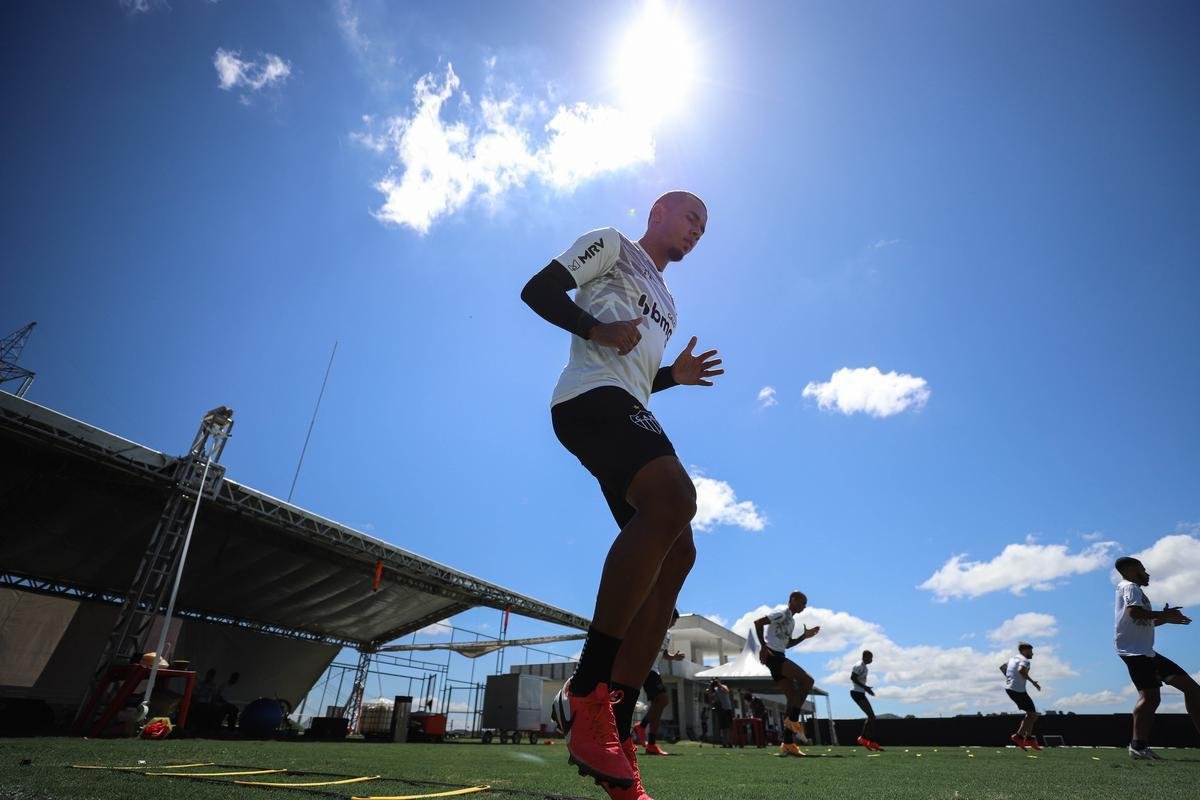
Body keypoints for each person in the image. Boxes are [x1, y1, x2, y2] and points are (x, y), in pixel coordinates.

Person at [524, 191, 720, 799]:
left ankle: (615, 724)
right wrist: (596, 327)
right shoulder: (613, 244)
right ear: (659, 212)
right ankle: (586, 691)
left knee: (677, 556)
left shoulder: (669, 301)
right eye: (691, 218)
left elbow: (637, 374)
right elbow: (537, 290)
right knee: (674, 499)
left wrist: (673, 377)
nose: (696, 232)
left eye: (704, 229)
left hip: (626, 406)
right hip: (586, 399)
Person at [1113, 556, 1200, 760]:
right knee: (1150, 696)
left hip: (1147, 652)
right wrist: (1164, 615)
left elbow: (1142, 622)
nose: (1147, 573)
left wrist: (1167, 619)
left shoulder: (1135, 591)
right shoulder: (1130, 587)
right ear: (1132, 569)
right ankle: (1138, 747)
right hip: (1135, 652)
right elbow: (1135, 614)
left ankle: (1138, 747)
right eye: (1143, 568)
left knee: (1192, 689)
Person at [754, 591, 819, 757]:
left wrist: (804, 636)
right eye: (802, 602)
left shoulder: (792, 621)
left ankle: (788, 743)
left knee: (792, 698)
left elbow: (787, 644)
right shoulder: (781, 613)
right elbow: (758, 623)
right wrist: (763, 646)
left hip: (780, 655)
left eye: (805, 604)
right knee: (808, 681)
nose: (804, 606)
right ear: (793, 600)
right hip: (773, 656)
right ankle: (794, 721)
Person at [632, 609, 685, 755]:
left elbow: (664, 653)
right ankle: (641, 727)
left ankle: (651, 743)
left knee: (659, 704)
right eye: (673, 620)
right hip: (646, 668)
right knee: (663, 700)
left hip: (655, 670)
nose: (674, 623)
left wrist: (673, 657)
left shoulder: (667, 634)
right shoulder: (653, 628)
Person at [1000, 643, 1041, 750]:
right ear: (1024, 651)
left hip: (1011, 688)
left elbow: (1003, 667)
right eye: (1030, 651)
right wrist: (1033, 682)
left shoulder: (1013, 658)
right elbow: (1021, 670)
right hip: (1017, 690)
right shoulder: (1025, 661)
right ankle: (1020, 737)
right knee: (1033, 714)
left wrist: (1010, 678)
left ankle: (1027, 738)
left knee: (1032, 714)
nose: (1032, 653)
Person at [849, 650, 883, 751]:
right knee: (872, 716)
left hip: (860, 693)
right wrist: (866, 688)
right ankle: (866, 739)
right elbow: (853, 678)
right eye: (870, 657)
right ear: (865, 656)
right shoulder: (859, 665)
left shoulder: (865, 667)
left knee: (871, 717)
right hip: (856, 693)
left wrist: (867, 689)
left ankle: (866, 740)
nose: (871, 660)